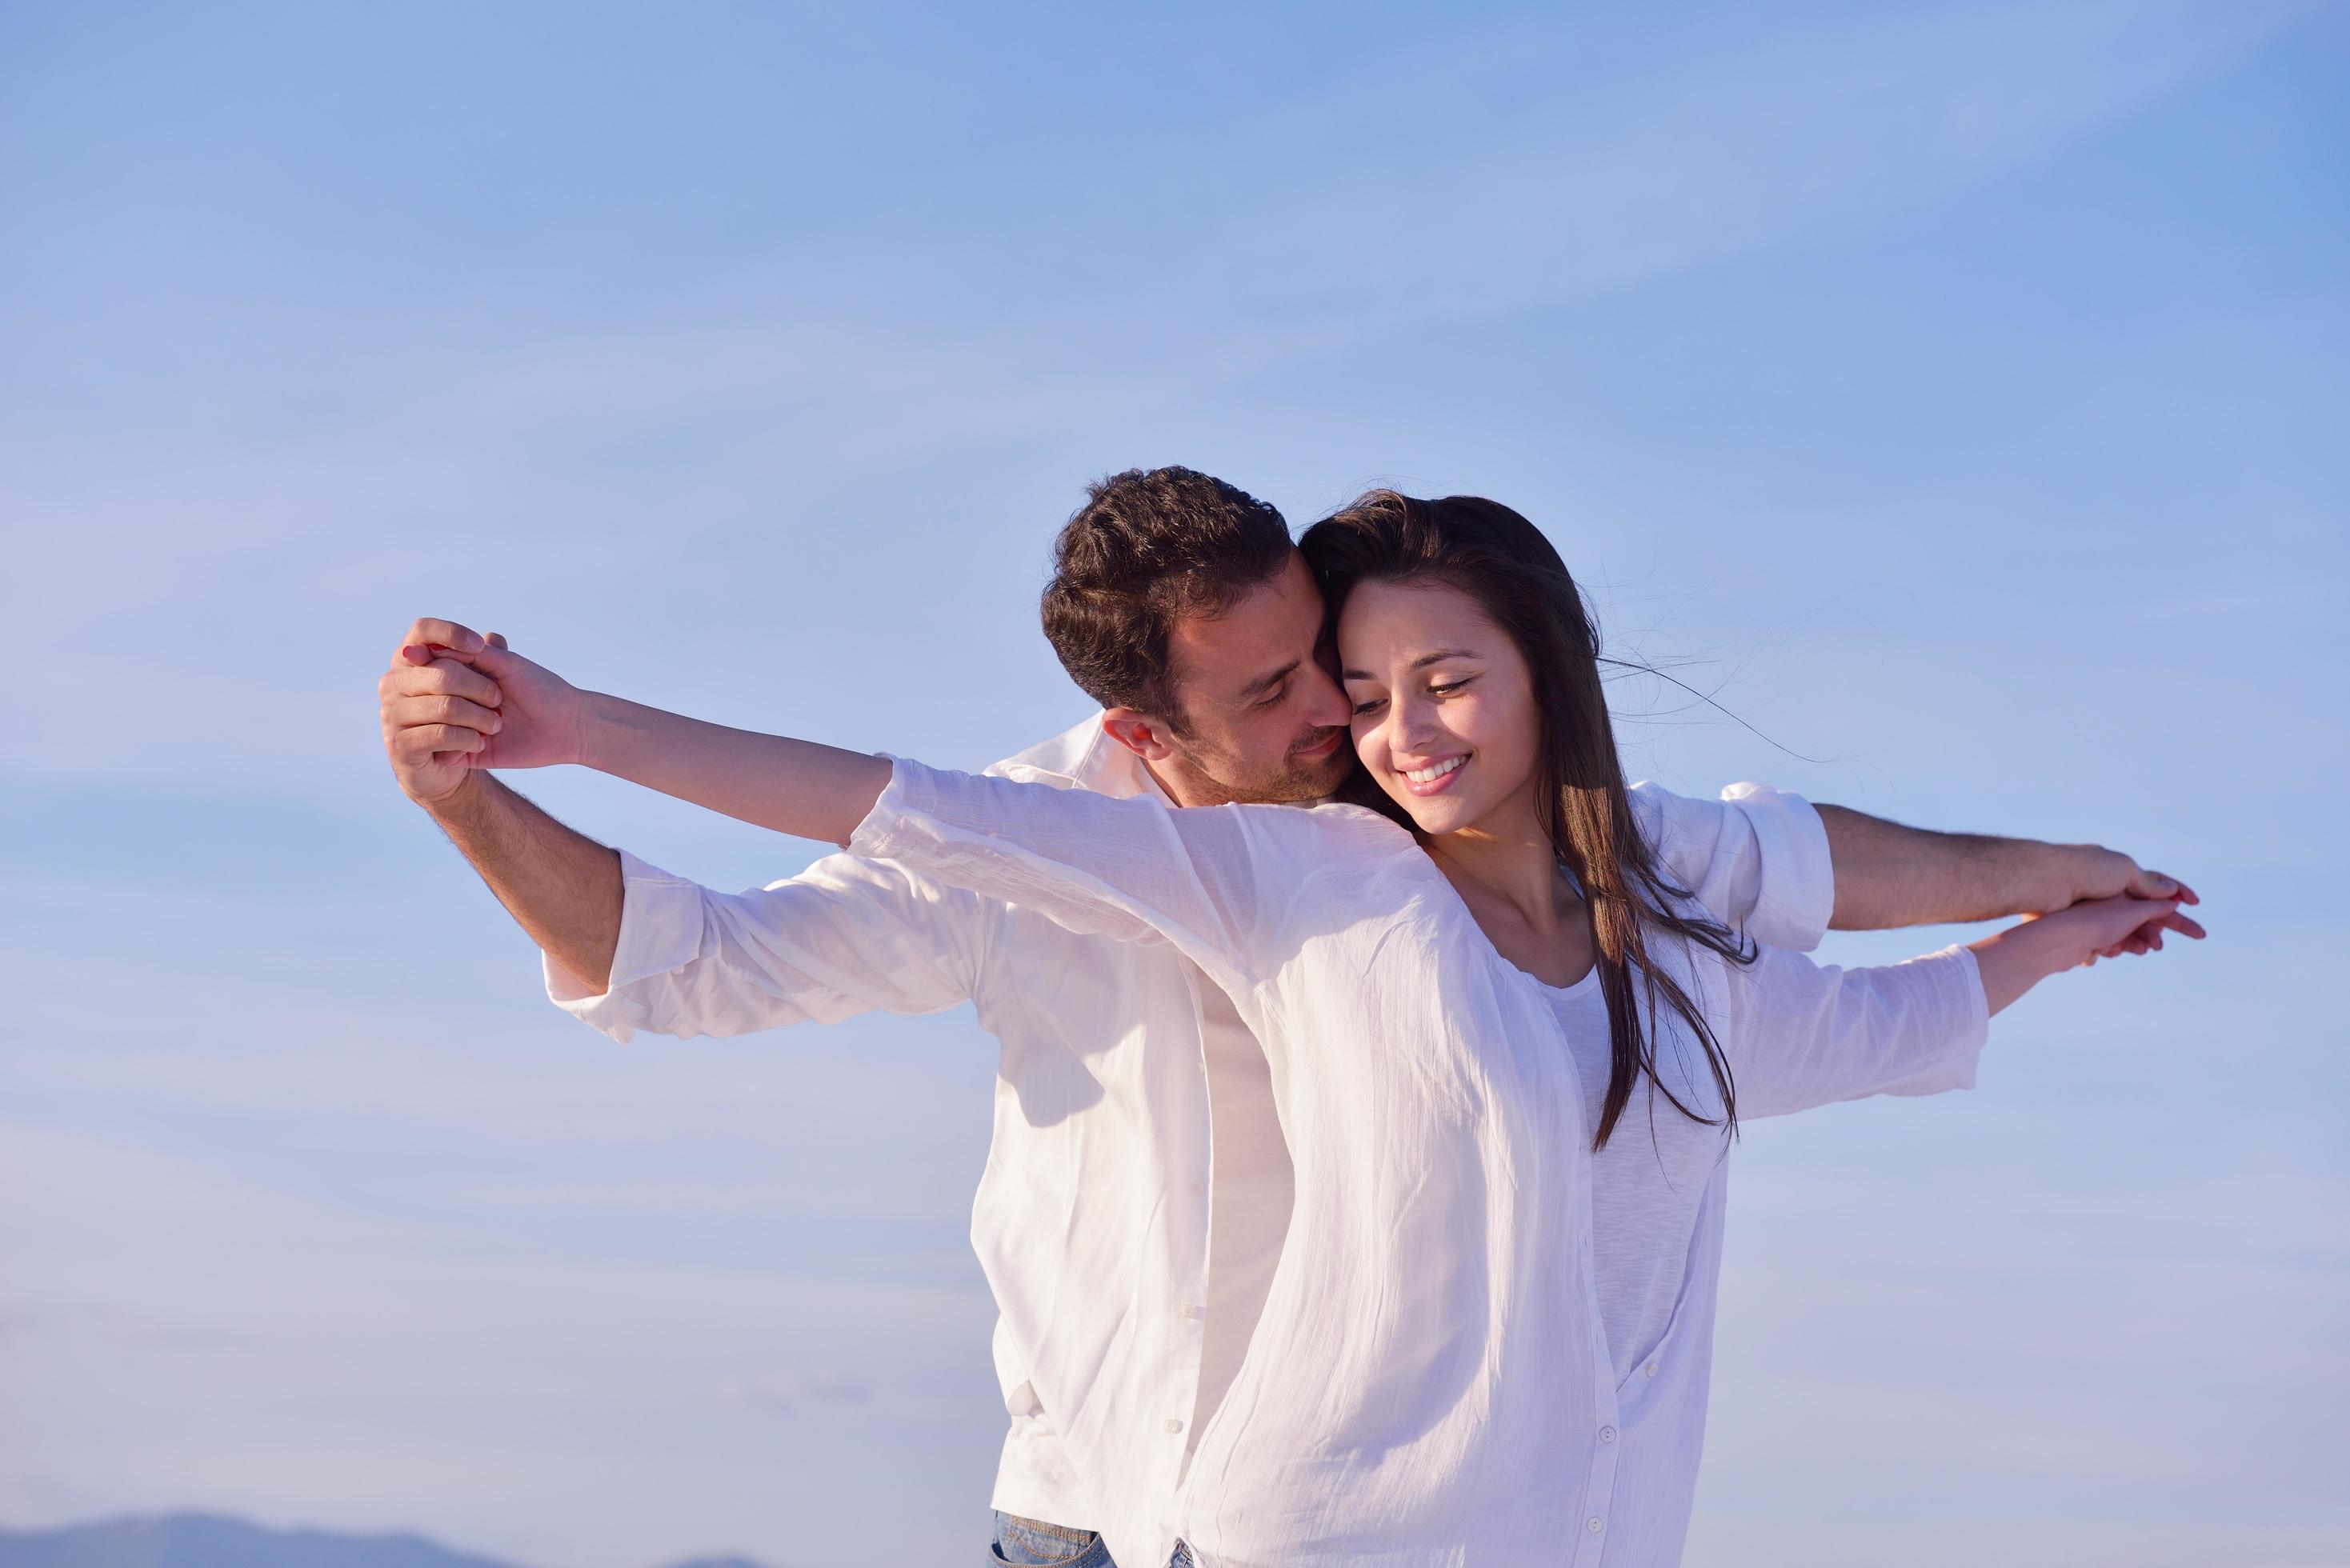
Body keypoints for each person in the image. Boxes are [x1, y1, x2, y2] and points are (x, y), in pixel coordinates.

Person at [378, 470, 2198, 1567]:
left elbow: (1808, 893)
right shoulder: (1135, 856)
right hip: (1111, 1506)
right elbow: (728, 926)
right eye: (1289, 689)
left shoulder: (1470, 852)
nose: (1348, 714)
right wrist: (511, 766)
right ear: (1149, 729)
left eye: (1351, 659)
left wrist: (2058, 885)